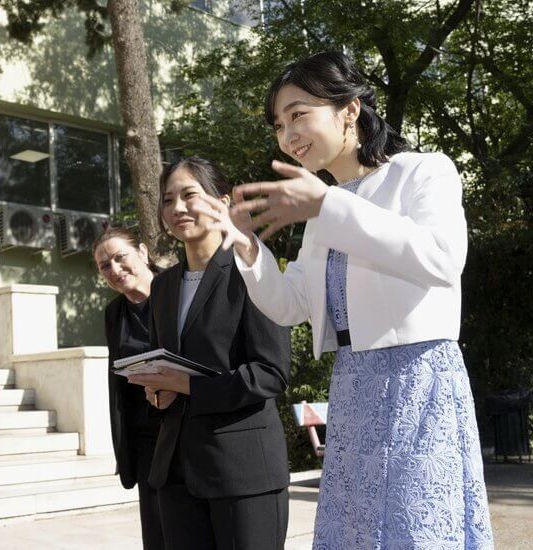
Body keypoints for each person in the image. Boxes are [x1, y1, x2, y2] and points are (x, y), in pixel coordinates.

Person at [195, 51, 494, 548]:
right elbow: (291, 306)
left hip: (418, 376)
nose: (287, 135)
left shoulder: (423, 171)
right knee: (356, 529)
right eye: (279, 125)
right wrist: (248, 246)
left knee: (415, 527)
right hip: (353, 382)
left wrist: (328, 204)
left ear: (350, 109)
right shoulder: (322, 209)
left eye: (298, 114)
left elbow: (442, 259)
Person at [127, 157, 292, 550]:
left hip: (243, 472)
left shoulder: (251, 269)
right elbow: (166, 363)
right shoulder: (163, 287)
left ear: (221, 202)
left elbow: (271, 372)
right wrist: (158, 390)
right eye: (168, 200)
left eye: (189, 195)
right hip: (176, 472)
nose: (178, 208)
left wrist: (187, 385)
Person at [92, 226, 165, 550]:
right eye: (104, 265)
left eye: (120, 257)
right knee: (157, 535)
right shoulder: (114, 313)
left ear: (143, 252)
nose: (114, 269)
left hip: (187, 433)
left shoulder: (176, 290)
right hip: (145, 441)